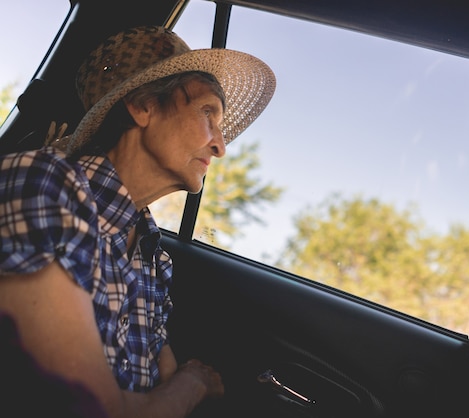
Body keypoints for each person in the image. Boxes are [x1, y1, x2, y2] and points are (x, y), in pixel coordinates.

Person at [0, 25, 276, 418]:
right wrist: (193, 382)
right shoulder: (43, 184)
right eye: (207, 113)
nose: (220, 146)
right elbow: (95, 409)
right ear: (142, 106)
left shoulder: (152, 256)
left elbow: (156, 381)